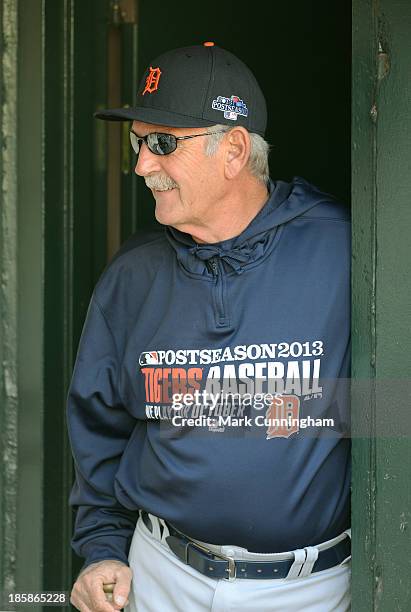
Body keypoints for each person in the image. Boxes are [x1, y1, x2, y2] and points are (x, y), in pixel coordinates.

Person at [67, 42, 351, 612]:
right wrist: (102, 549)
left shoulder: (344, 250)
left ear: (235, 150)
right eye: (138, 143)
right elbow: (100, 430)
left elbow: (394, 408)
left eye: (163, 144)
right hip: (163, 577)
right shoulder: (132, 277)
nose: (143, 165)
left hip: (310, 590)